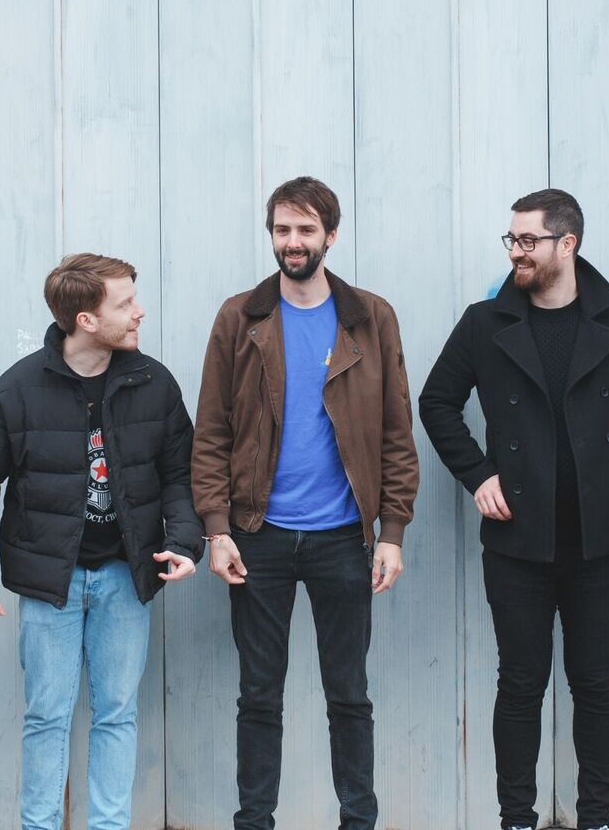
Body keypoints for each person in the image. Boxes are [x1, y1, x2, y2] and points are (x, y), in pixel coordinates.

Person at [418, 188, 609, 830]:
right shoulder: (485, 324)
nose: (516, 251)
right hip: (517, 541)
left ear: (567, 244)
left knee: (595, 685)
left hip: (598, 541)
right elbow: (436, 402)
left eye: (528, 240)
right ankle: (516, 817)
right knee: (519, 684)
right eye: (511, 239)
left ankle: (597, 818)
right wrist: (478, 474)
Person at [191, 175, 420, 830]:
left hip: (343, 538)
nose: (292, 242)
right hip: (256, 534)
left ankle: (358, 821)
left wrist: (392, 531)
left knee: (349, 695)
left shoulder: (370, 317)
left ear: (331, 236)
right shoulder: (240, 317)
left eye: (305, 230)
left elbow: (395, 432)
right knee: (258, 696)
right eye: (282, 229)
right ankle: (254, 822)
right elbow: (212, 431)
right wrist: (216, 528)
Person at [0, 253, 203, 830]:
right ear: (86, 320)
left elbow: (180, 475)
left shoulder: (153, 382)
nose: (139, 312)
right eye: (125, 304)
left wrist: (186, 543)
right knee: (46, 718)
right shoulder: (16, 391)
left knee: (117, 714)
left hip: (126, 576)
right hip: (49, 584)